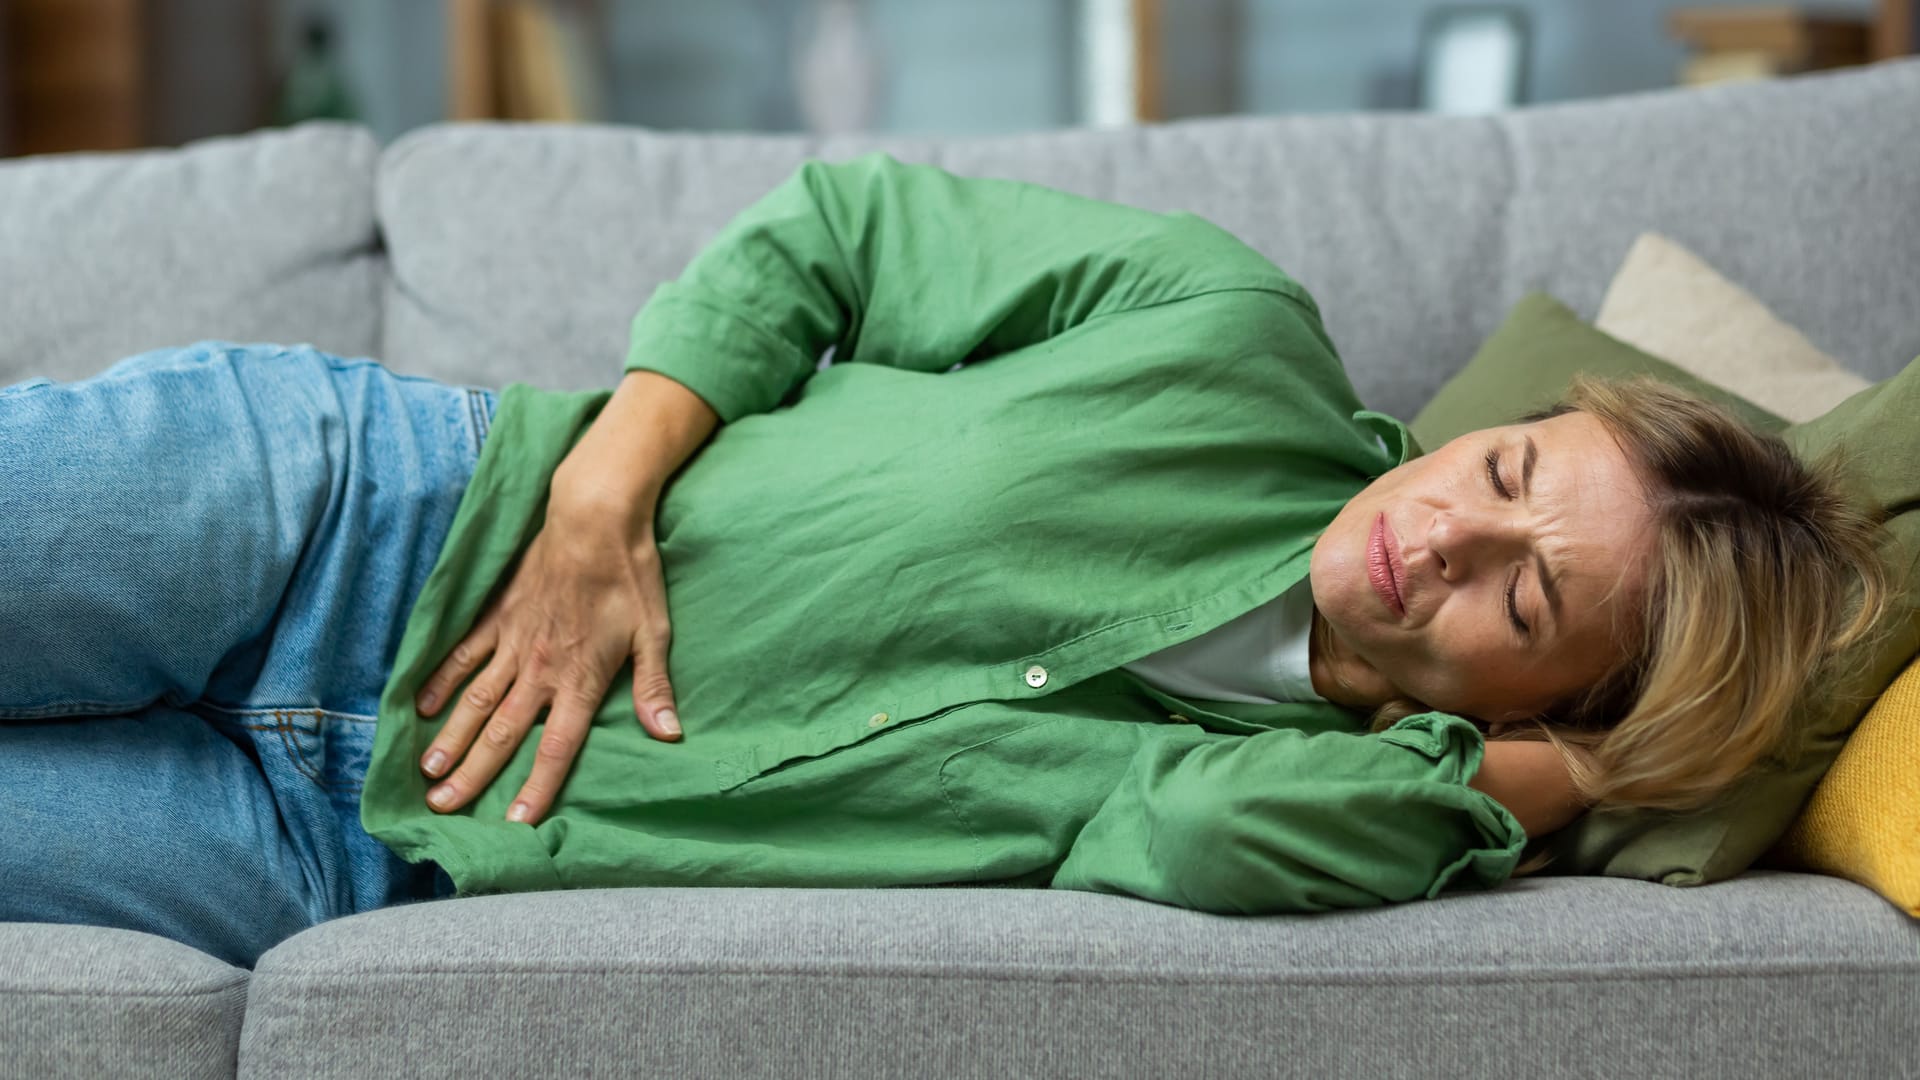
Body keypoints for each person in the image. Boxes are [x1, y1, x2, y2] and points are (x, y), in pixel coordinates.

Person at [0, 153, 1886, 969]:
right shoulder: (1227, 332)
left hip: (372, 851)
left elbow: (1203, 847)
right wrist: (598, 506)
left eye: (1524, 599)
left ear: (1565, 699)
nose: (1440, 532)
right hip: (366, 514)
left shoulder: (1338, 797)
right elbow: (841, 229)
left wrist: (1572, 785)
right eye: (1502, 465)